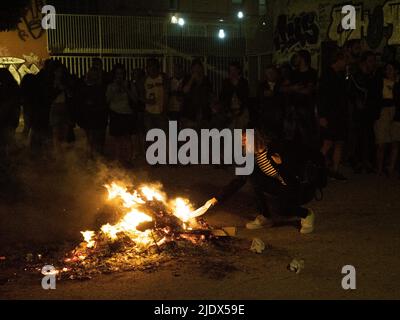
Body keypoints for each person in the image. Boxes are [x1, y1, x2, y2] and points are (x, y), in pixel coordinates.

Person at [206, 129, 317, 233]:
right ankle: (266, 217)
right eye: (241, 141)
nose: (242, 143)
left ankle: (307, 214)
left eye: (244, 139)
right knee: (254, 178)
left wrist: (282, 164)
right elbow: (239, 180)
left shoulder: (274, 148)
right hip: (279, 185)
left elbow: (297, 166)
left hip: (295, 186)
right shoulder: (251, 157)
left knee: (281, 209)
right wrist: (217, 198)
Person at [318, 49, 348, 181]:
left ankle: (334, 171)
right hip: (330, 114)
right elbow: (322, 97)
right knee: (328, 143)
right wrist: (322, 116)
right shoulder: (327, 75)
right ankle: (318, 168)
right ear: (339, 59)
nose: (346, 63)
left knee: (339, 142)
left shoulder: (340, 75)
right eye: (345, 60)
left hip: (339, 114)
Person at [106, 64, 137, 165]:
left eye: (121, 73)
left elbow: (135, 99)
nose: (119, 75)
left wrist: (126, 88)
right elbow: (107, 100)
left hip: (127, 114)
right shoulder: (111, 86)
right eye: (117, 73)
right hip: (115, 114)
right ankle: (118, 159)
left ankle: (128, 159)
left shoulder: (129, 84)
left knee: (127, 138)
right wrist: (114, 91)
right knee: (117, 138)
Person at [374, 62, 400, 177]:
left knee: (395, 141)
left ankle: (391, 167)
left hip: (396, 113)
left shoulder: (398, 84)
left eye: (391, 69)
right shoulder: (380, 82)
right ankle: (379, 168)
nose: (388, 71)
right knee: (381, 142)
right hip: (384, 112)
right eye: (387, 69)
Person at [289, 50, 318, 147]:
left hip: (306, 108)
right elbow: (281, 88)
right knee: (294, 135)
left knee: (306, 134)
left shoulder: (312, 73)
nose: (295, 59)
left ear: (302, 58)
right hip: (293, 108)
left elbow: (308, 90)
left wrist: (293, 89)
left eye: (297, 57)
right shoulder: (293, 73)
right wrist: (294, 88)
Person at [78, 67, 108, 159]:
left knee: (96, 138)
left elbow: (103, 102)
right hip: (89, 116)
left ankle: (96, 157)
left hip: (97, 117)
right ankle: (90, 156)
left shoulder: (100, 88)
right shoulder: (84, 87)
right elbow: (81, 101)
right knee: (89, 138)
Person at [48, 63, 73, 158]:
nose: (59, 73)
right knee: (56, 132)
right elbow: (50, 96)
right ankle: (57, 153)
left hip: (64, 106)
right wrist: (58, 88)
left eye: (60, 71)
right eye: (57, 71)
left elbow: (70, 95)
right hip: (55, 106)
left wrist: (64, 88)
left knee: (64, 131)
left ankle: (62, 154)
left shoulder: (65, 82)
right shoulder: (51, 82)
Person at [182, 59, 213, 130]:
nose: (196, 70)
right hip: (189, 113)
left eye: (198, 68)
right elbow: (185, 91)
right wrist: (192, 79)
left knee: (203, 138)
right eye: (195, 68)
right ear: (191, 69)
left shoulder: (206, 80)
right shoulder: (187, 78)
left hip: (204, 114)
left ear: (201, 69)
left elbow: (209, 94)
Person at [219, 61, 250, 129]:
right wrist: (227, 111)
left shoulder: (243, 82)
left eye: (234, 70)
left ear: (238, 70)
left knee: (240, 128)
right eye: (231, 70)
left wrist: (237, 84)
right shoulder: (226, 82)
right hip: (229, 110)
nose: (232, 72)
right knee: (231, 130)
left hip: (241, 110)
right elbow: (222, 97)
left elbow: (245, 98)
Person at [257, 65, 285, 138]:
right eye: (268, 73)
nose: (271, 75)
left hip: (280, 117)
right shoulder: (262, 85)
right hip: (266, 116)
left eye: (272, 72)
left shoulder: (282, 84)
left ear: (276, 73)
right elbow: (262, 96)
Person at [143, 58, 168, 133]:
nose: (152, 68)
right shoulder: (144, 79)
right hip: (149, 113)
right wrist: (147, 100)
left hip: (161, 112)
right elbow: (140, 95)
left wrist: (165, 108)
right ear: (147, 68)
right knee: (150, 136)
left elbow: (167, 93)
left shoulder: (164, 78)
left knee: (162, 136)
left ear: (158, 68)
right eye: (150, 66)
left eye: (154, 66)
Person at [0, 69, 20, 159]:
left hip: (4, 118)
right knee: (8, 140)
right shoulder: (14, 88)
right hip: (12, 118)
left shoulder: (3, 89)